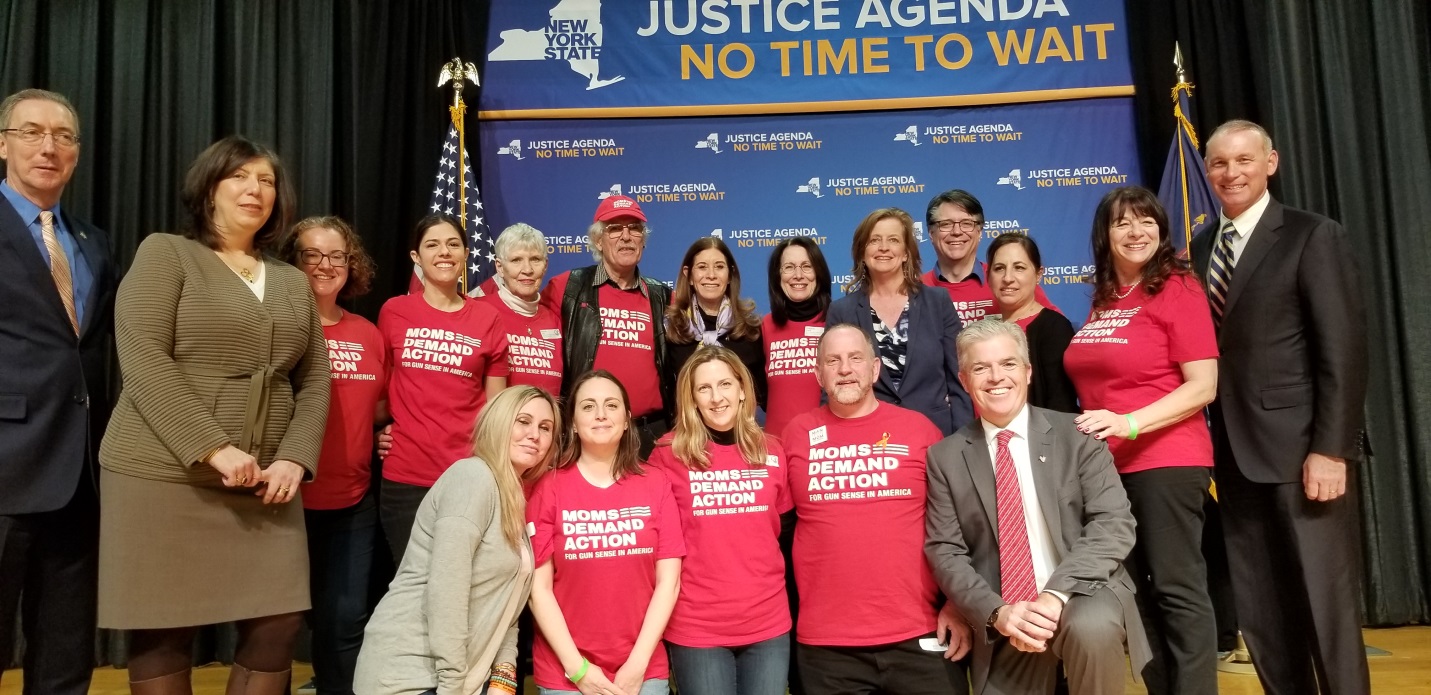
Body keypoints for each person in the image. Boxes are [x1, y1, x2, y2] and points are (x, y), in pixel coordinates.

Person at [97, 135, 330, 693]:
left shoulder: (293, 281)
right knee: (164, 631)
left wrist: (295, 460)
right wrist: (214, 448)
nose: (256, 189)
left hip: (264, 484)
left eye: (267, 181)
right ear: (209, 189)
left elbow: (315, 379)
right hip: (162, 476)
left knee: (279, 626)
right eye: (240, 177)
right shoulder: (166, 253)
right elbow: (143, 357)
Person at [1190, 120, 1370, 695]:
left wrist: (1330, 449)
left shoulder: (1312, 236)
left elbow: (1342, 351)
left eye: (1244, 160)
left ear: (1271, 162)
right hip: (1233, 459)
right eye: (1219, 163)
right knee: (1262, 612)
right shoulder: (1198, 248)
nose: (1231, 173)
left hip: (1302, 457)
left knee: (1324, 606)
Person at [925, 319, 1147, 695]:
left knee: (1090, 628)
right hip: (1006, 609)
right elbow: (945, 551)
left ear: (1027, 372)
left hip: (1082, 592)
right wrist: (997, 613)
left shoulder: (1078, 436)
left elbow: (1113, 523)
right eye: (981, 368)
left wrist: (1053, 596)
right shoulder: (944, 457)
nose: (996, 377)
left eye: (1008, 364)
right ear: (964, 380)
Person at [1062, 186, 1220, 694]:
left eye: (1146, 221)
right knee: (1131, 593)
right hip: (1109, 470)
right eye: (1122, 223)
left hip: (1166, 459)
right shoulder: (1106, 297)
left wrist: (1130, 423)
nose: (1136, 232)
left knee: (1176, 587)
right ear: (1104, 236)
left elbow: (1203, 386)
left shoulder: (1179, 287)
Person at [0, 88, 115, 695]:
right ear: (3, 144)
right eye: (31, 132)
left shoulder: (94, 241)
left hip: (80, 473)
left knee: (66, 654)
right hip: (4, 470)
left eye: (63, 136)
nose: (49, 146)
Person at [781, 324, 969, 695]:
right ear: (818, 373)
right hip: (826, 646)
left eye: (855, 358)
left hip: (921, 631)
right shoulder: (795, 435)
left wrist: (958, 603)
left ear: (875, 368)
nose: (845, 369)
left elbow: (957, 526)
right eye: (833, 361)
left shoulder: (920, 430)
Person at [356, 386, 559, 695]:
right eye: (523, 421)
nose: (535, 434)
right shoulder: (472, 478)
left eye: (545, 428)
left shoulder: (511, 495)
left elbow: (507, 601)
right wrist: (453, 687)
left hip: (457, 680)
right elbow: (446, 590)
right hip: (409, 677)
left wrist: (503, 678)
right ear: (499, 423)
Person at [526, 370, 685, 695]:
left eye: (611, 405)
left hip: (641, 669)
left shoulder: (656, 484)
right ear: (571, 422)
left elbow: (669, 583)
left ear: (627, 419)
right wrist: (578, 670)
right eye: (588, 406)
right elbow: (537, 591)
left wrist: (637, 664)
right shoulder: (549, 488)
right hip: (565, 672)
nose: (600, 414)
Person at [648, 347, 792, 695]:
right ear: (692, 399)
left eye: (725, 384)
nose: (716, 398)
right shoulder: (667, 455)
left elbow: (783, 531)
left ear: (743, 388)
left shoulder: (772, 450)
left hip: (768, 623)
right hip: (698, 628)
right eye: (704, 388)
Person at [285, 216, 386, 695]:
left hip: (352, 502)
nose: (325, 265)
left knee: (344, 622)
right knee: (276, 627)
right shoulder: (276, 324)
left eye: (337, 256)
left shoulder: (368, 332)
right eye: (312, 255)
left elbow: (382, 406)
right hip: (283, 502)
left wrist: (388, 432)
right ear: (292, 260)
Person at [378, 214, 509, 563]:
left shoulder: (488, 318)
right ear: (415, 257)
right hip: (406, 478)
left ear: (467, 253)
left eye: (453, 244)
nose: (444, 252)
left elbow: (495, 408)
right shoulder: (394, 312)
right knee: (413, 589)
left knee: (459, 585)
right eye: (432, 245)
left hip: (467, 475)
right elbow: (381, 390)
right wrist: (375, 433)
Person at [541, 196, 671, 457]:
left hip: (649, 433)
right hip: (588, 433)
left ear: (643, 240)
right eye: (614, 229)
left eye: (634, 228)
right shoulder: (568, 288)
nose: (626, 236)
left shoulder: (662, 295)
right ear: (598, 241)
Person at [826, 207, 972, 436]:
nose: (884, 247)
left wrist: (964, 441)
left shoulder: (938, 302)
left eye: (893, 240)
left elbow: (960, 379)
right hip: (867, 439)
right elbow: (831, 386)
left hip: (935, 436)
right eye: (874, 240)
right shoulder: (842, 311)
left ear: (906, 252)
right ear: (862, 252)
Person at [663, 237, 765, 414]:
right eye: (702, 267)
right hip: (686, 435)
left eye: (719, 267)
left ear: (730, 275)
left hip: (740, 435)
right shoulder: (672, 329)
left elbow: (762, 394)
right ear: (689, 276)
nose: (711, 275)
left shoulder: (750, 330)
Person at [921, 189, 1053, 323]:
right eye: (946, 224)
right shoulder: (915, 290)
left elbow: (1055, 328)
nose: (956, 232)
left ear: (979, 232)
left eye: (967, 223)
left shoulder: (1006, 280)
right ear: (931, 233)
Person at [986, 233, 1078, 413]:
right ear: (988, 276)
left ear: (1038, 274)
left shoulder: (1054, 328)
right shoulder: (989, 332)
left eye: (1019, 268)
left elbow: (1061, 407)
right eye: (999, 268)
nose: (1008, 278)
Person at [479, 223, 563, 396]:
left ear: (545, 265)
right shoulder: (479, 311)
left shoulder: (554, 320)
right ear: (500, 267)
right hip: (498, 422)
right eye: (516, 260)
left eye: (535, 259)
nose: (527, 270)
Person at [762, 237, 832, 438]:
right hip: (777, 446)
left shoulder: (836, 321)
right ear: (778, 275)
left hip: (826, 447)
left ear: (819, 272)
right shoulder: (765, 326)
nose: (798, 275)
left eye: (806, 266)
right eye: (789, 267)